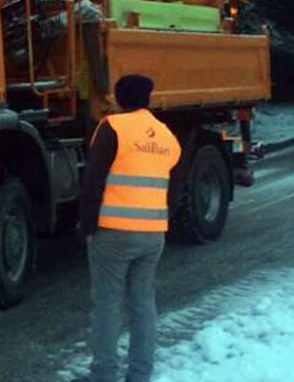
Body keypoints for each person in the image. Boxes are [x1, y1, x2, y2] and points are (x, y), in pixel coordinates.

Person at [77, 74, 181, 382]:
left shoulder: (113, 128)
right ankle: (140, 375)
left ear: (120, 99)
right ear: (147, 98)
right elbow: (173, 189)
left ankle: (104, 375)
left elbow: (93, 181)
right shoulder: (166, 136)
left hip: (113, 232)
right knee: (143, 304)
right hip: (153, 235)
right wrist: (160, 219)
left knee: (107, 306)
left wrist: (87, 225)